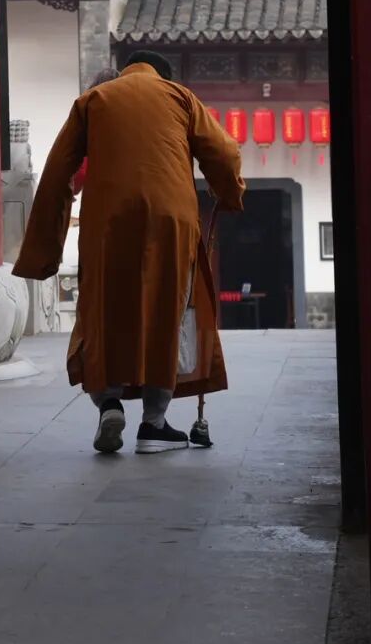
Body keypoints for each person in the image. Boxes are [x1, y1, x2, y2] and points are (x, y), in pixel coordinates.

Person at [13, 50, 245, 454]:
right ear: (163, 76)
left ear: (125, 71)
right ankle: (154, 424)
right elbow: (224, 153)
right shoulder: (180, 97)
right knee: (165, 313)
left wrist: (44, 250)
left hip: (108, 222)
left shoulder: (93, 100)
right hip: (170, 221)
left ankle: (109, 404)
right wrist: (229, 193)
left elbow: (57, 170)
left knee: (103, 310)